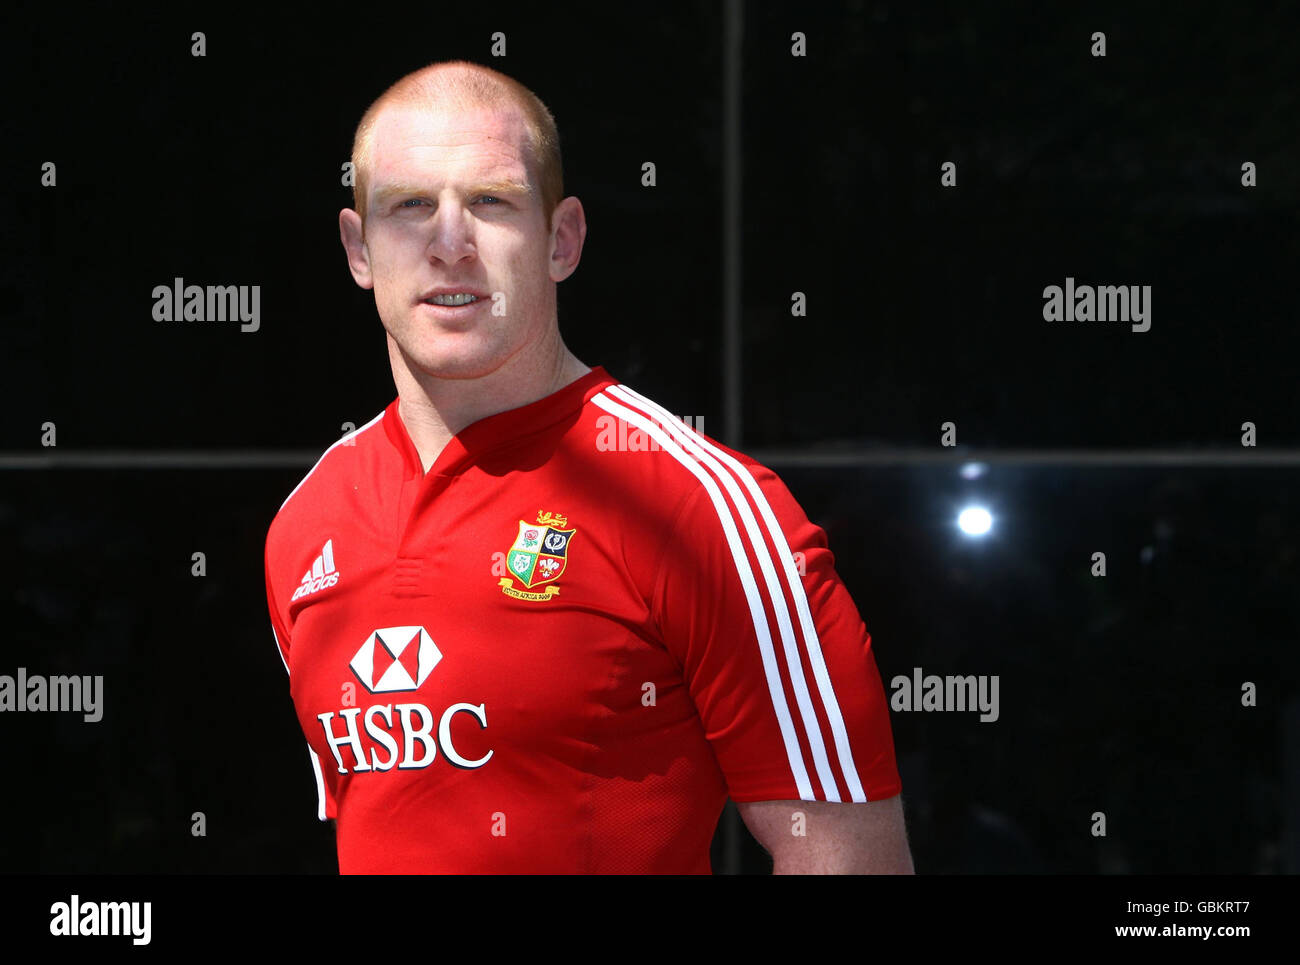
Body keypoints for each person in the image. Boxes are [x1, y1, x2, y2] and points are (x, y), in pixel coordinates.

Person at [264, 59, 914, 874]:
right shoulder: (305, 523)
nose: (450, 244)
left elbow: (852, 861)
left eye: (491, 203)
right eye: (410, 207)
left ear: (562, 240)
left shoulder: (704, 506)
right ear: (358, 249)